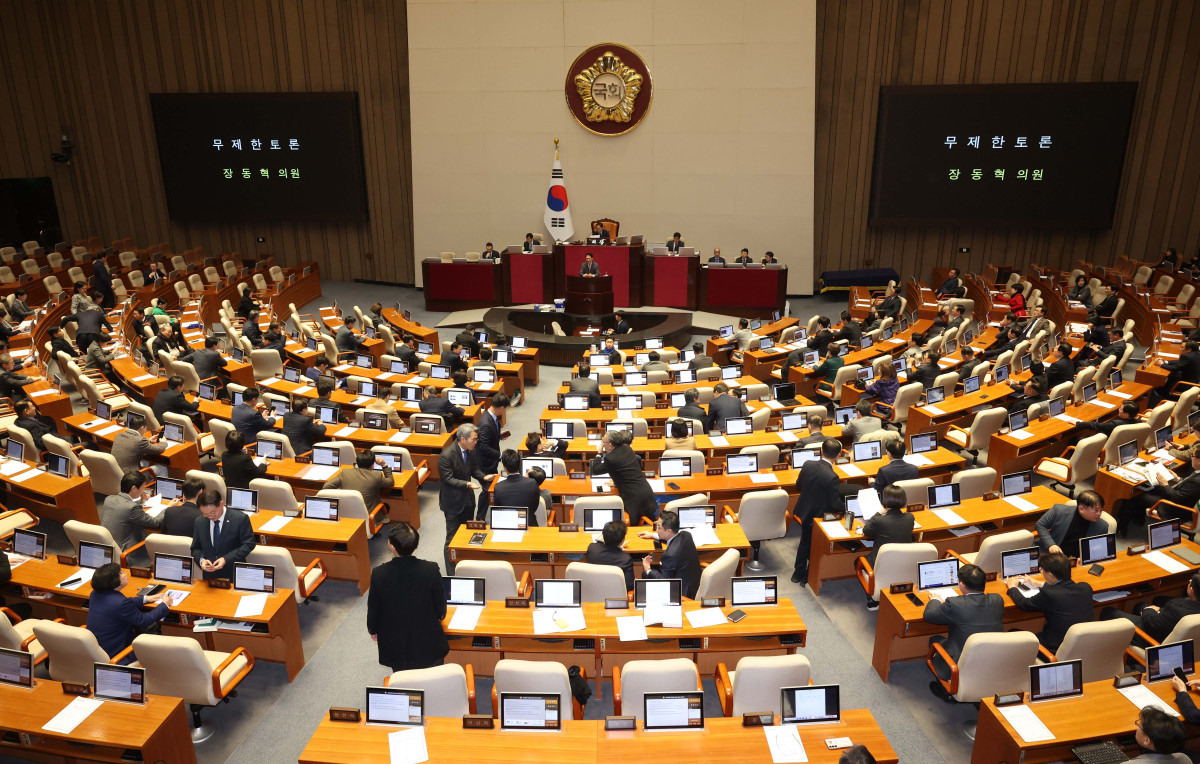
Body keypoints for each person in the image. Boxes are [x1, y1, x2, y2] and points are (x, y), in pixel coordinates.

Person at [367, 522, 448, 673]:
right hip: (429, 645)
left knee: (404, 682)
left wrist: (373, 629)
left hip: (396, 648)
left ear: (392, 546)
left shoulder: (379, 574)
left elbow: (374, 608)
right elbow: (440, 608)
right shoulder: (430, 569)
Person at [923, 563, 1003, 689]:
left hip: (961, 661)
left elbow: (929, 616)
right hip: (992, 657)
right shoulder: (997, 600)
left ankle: (947, 686)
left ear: (961, 584)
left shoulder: (955, 604)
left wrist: (935, 600)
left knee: (934, 640)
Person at [1005, 551, 1093, 651]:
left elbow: (1024, 604)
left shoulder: (1049, 594)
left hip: (1056, 647)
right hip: (1084, 644)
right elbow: (1061, 588)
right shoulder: (1085, 587)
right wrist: (1040, 584)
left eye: (1042, 569)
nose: (1041, 571)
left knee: (1013, 632)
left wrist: (1012, 588)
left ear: (1050, 574)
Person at [437, 424, 494, 572]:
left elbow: (474, 469)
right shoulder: (446, 456)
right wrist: (467, 483)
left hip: (468, 499)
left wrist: (484, 477)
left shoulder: (470, 450)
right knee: (452, 537)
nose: (476, 442)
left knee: (468, 533)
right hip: (452, 502)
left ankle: (466, 566)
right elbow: (448, 479)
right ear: (462, 439)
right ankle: (451, 573)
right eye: (474, 439)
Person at [86, 563, 169, 663]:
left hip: (99, 649)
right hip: (118, 654)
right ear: (114, 581)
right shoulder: (120, 603)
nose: (125, 573)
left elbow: (121, 603)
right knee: (151, 629)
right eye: (121, 572)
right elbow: (145, 620)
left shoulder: (95, 594)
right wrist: (164, 604)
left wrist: (145, 599)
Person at [1112, 445, 1200, 536]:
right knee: (1150, 487)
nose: (1191, 458)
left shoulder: (1197, 482)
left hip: (1175, 508)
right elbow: (1188, 489)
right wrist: (1177, 479)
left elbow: (1176, 498)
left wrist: (1165, 485)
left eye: (1192, 456)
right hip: (1181, 499)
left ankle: (1121, 529)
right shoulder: (1197, 474)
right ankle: (1138, 518)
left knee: (1135, 496)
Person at [792, 439, 844, 584]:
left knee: (805, 542)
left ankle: (797, 573)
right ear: (838, 455)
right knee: (815, 545)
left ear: (821, 451)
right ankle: (808, 576)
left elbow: (798, 485)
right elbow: (834, 503)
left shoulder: (808, 464)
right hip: (820, 517)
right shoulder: (832, 477)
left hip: (804, 511)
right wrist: (847, 509)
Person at [589, 428, 658, 526]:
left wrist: (599, 453)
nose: (602, 444)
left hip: (633, 498)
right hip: (646, 492)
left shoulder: (611, 458)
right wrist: (616, 482)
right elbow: (625, 470)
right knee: (647, 522)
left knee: (634, 528)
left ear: (610, 444)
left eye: (603, 442)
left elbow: (596, 470)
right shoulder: (628, 449)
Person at [190, 488, 256, 580]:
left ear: (221, 503)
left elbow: (249, 544)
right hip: (210, 577)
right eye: (205, 514)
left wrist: (226, 559)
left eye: (213, 513)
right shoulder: (199, 521)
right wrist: (202, 560)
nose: (210, 517)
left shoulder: (240, 519)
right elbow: (195, 548)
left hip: (234, 574)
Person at [637, 510, 700, 599]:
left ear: (669, 531)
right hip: (693, 584)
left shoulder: (669, 555)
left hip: (681, 593)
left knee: (645, 574)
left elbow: (665, 582)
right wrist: (652, 535)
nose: (656, 529)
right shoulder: (686, 535)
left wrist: (648, 570)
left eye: (659, 527)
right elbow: (671, 537)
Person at [101, 471, 159, 557]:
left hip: (107, 548)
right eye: (143, 487)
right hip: (126, 552)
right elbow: (155, 523)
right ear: (134, 488)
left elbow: (125, 508)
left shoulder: (109, 499)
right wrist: (168, 508)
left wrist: (142, 503)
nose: (143, 490)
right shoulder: (131, 508)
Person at [1035, 490, 1109, 554]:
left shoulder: (1102, 527)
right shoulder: (1059, 510)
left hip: (1076, 562)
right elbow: (1041, 525)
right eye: (1096, 510)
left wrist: (1086, 557)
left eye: (1101, 510)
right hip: (1049, 554)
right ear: (1081, 509)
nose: (1099, 514)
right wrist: (1051, 545)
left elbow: (1098, 549)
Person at [475, 394, 509, 520]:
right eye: (505, 408)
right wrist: (500, 455)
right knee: (487, 490)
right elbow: (483, 446)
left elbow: (488, 437)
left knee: (491, 487)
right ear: (501, 407)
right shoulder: (485, 423)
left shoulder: (491, 417)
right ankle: (479, 519)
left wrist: (498, 436)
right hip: (485, 463)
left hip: (490, 461)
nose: (505, 411)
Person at [861, 485, 914, 569]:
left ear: (884, 501)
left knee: (857, 561)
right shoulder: (910, 517)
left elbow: (866, 531)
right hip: (903, 562)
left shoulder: (878, 520)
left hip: (879, 564)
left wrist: (878, 513)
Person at [323, 451, 393, 513]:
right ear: (372, 465)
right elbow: (390, 481)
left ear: (357, 463)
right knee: (386, 506)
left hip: (347, 513)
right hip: (369, 515)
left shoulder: (345, 473)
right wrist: (384, 465)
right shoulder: (376, 476)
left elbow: (326, 486)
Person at [493, 450, 540, 526]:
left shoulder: (498, 487)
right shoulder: (532, 483)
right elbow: (534, 506)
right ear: (519, 464)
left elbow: (498, 510)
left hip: (508, 525)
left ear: (505, 468)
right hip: (529, 524)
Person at [586, 519, 634, 590]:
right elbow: (629, 585)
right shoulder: (625, 559)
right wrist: (619, 549)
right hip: (615, 596)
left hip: (593, 591)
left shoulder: (592, 548)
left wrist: (618, 548)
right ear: (622, 540)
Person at [1150, 341, 1200, 405]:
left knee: (1173, 374)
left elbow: (1174, 368)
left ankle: (1161, 396)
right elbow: (1180, 362)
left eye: (1182, 347)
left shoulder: (1188, 357)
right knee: (1174, 375)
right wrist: (1166, 362)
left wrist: (1161, 364)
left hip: (1186, 384)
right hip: (1194, 381)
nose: (1180, 349)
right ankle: (1160, 389)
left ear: (1189, 350)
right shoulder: (1196, 354)